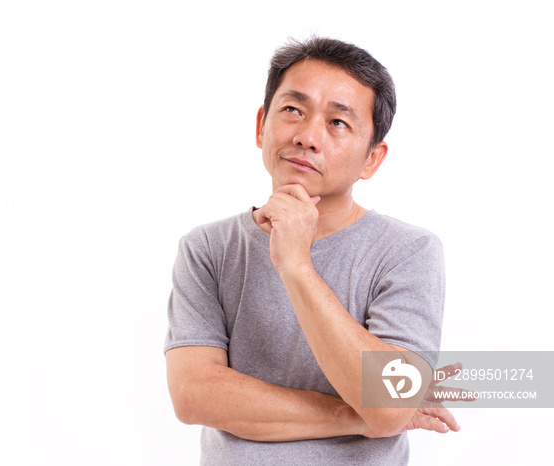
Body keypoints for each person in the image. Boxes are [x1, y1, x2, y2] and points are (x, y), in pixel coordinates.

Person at [164, 36, 460, 465]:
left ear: (371, 160)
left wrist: (297, 266)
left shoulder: (408, 251)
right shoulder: (207, 248)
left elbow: (389, 401)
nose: (307, 137)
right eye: (292, 110)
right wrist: (355, 416)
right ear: (261, 124)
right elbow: (194, 396)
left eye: (338, 123)